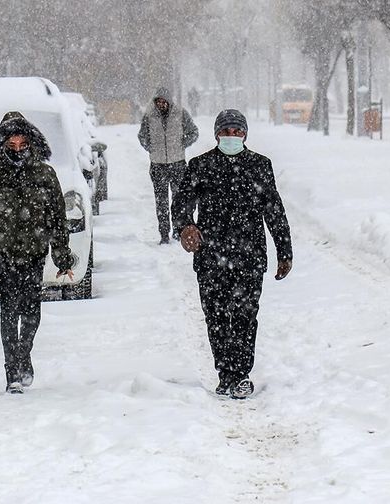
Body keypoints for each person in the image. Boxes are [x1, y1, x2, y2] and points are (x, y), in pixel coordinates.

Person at [172, 109, 293, 400]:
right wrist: (187, 226)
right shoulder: (201, 166)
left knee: (245, 316)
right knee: (215, 316)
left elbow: (274, 210)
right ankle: (225, 374)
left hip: (249, 257)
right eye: (226, 132)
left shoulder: (260, 166)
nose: (232, 137)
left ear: (245, 134)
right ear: (217, 135)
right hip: (212, 256)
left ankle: (241, 375)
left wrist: (284, 251)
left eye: (237, 132)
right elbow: (181, 203)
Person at [0, 111, 74, 394]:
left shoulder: (45, 174)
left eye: (21, 139)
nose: (16, 144)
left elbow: (57, 220)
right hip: (3, 253)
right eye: (11, 140)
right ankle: (12, 370)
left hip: (35, 252)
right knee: (9, 310)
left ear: (30, 139)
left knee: (32, 311)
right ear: (1, 141)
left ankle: (24, 356)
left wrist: (62, 258)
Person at [137, 86, 199, 244]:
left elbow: (194, 132)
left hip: (178, 164)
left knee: (178, 200)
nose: (161, 104)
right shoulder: (149, 116)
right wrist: (151, 148)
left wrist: (182, 144)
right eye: (158, 101)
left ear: (169, 101)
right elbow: (142, 136)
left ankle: (179, 231)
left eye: (164, 101)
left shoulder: (181, 113)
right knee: (161, 201)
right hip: (158, 165)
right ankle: (164, 233)